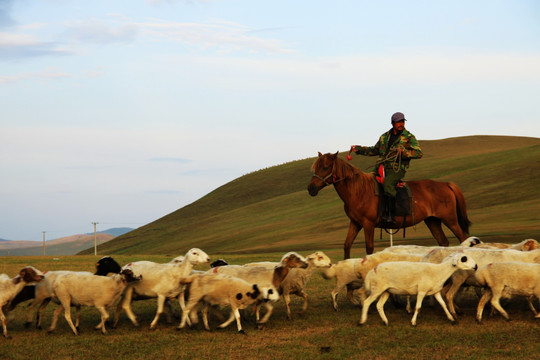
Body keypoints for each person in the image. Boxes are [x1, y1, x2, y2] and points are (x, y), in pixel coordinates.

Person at [350, 112, 423, 225]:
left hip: (396, 169)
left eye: (402, 121)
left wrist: (405, 153)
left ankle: (391, 216)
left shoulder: (409, 137)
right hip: (381, 167)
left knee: (388, 184)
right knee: (367, 183)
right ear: (393, 123)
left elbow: (419, 153)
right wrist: (359, 149)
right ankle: (370, 211)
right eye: (399, 122)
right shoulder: (384, 137)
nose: (401, 124)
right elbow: (374, 150)